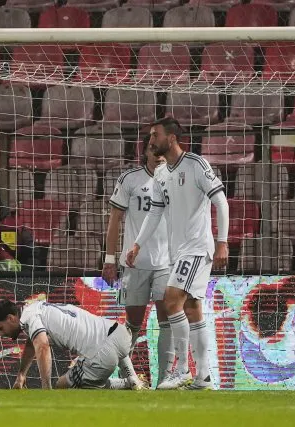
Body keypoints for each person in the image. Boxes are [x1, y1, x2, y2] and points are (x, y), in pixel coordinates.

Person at [126, 117, 230, 390]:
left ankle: (182, 370)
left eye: (155, 135)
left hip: (196, 248)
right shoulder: (161, 174)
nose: (151, 141)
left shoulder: (196, 165)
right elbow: (155, 212)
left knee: (171, 300)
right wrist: (137, 244)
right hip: (178, 252)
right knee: (192, 309)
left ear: (171, 138)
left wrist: (222, 242)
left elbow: (221, 202)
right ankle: (203, 377)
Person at [102, 134, 174, 386]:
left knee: (167, 322)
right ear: (145, 152)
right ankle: (126, 379)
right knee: (132, 324)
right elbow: (114, 221)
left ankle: (165, 380)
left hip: (167, 263)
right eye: (153, 150)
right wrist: (109, 259)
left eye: (161, 150)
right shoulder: (130, 179)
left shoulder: (177, 181)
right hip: (134, 264)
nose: (158, 155)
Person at [0, 299, 146, 390]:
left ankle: (126, 383)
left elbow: (42, 346)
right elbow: (32, 344)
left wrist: (46, 388)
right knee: (108, 343)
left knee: (61, 385)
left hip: (102, 353)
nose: (1, 334)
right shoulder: (34, 308)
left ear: (11, 318)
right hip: (120, 334)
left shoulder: (30, 318)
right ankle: (132, 377)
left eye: (0, 328)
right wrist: (22, 374)